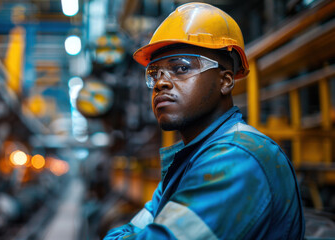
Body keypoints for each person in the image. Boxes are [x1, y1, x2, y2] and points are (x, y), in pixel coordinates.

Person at [104, 2, 304, 240]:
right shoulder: (192, 160)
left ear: (225, 81)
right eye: (154, 73)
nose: (160, 83)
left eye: (180, 68)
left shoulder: (236, 158)